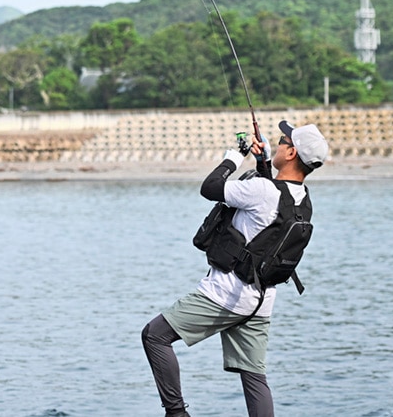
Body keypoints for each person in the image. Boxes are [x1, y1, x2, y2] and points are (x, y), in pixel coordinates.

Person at [141, 120, 329, 417]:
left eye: (283, 141)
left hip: (227, 295)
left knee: (154, 335)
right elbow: (274, 198)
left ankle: (176, 413)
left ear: (292, 153)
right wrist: (264, 159)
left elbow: (211, 188)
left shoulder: (261, 191)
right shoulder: (302, 199)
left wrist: (233, 156)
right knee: (254, 377)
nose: (279, 142)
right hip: (261, 302)